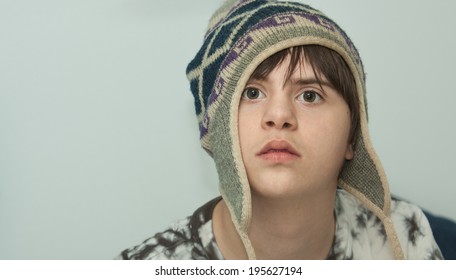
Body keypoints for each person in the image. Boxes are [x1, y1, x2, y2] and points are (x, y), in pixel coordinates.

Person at [117, 0, 443, 259]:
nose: (279, 116)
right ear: (215, 131)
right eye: (252, 93)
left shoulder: (403, 233)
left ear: (352, 137)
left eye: (310, 95)